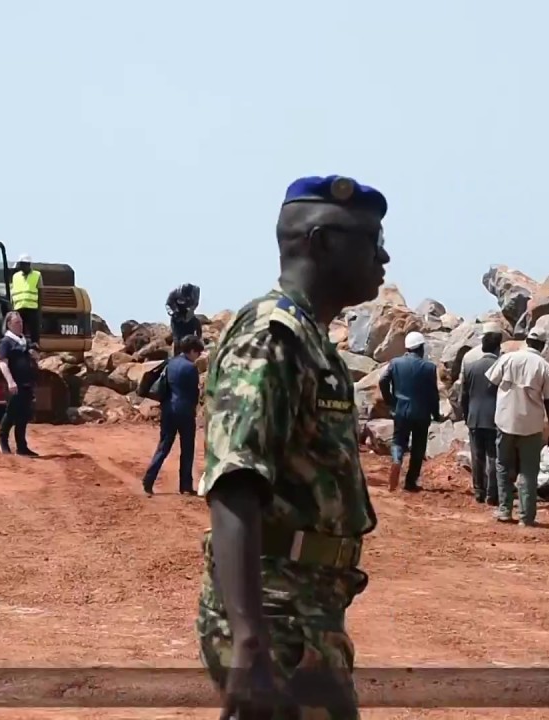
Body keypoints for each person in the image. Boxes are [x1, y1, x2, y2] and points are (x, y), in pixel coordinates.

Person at [198, 175, 389, 718]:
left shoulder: (310, 339)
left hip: (306, 608)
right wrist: (250, 642)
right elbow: (236, 480)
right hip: (277, 614)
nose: (385, 255)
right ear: (323, 242)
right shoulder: (271, 335)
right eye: (371, 240)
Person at [485, 325, 549, 526]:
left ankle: (504, 510)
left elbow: (490, 385)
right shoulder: (544, 366)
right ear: (543, 346)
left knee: (502, 465)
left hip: (505, 421)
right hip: (531, 425)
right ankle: (526, 517)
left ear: (527, 340)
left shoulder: (508, 358)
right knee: (528, 470)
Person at [141, 335, 205, 496]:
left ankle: (148, 480)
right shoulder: (190, 368)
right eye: (197, 352)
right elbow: (193, 393)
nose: (197, 356)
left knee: (163, 447)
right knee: (187, 449)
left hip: (168, 410)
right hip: (185, 412)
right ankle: (185, 486)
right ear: (191, 351)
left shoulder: (171, 363)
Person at [379, 331, 443, 492]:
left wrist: (390, 401)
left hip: (401, 409)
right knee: (418, 447)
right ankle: (410, 481)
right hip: (422, 413)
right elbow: (433, 394)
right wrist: (436, 414)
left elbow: (382, 380)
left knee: (399, 441)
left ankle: (396, 460)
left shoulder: (395, 363)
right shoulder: (429, 367)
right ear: (421, 348)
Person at [460, 323, 504, 506]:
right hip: (495, 418)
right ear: (497, 347)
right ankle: (492, 494)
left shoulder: (470, 366)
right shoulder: (501, 366)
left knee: (477, 455)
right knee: (493, 456)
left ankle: (479, 490)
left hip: (474, 417)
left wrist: (466, 414)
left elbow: (463, 394)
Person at [0, 311, 39, 457]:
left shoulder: (25, 341)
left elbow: (35, 357)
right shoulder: (6, 342)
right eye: (16, 323)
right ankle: (3, 441)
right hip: (14, 384)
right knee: (11, 413)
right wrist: (10, 381)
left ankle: (22, 446)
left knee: (23, 415)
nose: (20, 325)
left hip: (27, 383)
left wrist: (35, 355)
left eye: (21, 322)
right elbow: (3, 364)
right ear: (9, 324)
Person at [10, 254, 42, 346]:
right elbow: (12, 292)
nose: (22, 266)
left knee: (34, 331)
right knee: (19, 330)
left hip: (32, 308)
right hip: (18, 308)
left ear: (28, 265)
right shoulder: (15, 276)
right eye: (21, 264)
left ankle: (35, 346)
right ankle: (20, 346)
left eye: (24, 264)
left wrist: (39, 309)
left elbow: (40, 293)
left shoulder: (37, 275)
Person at [166, 284, 203, 354]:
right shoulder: (174, 292)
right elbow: (168, 304)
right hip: (176, 315)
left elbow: (195, 304)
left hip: (188, 314)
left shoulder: (196, 291)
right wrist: (173, 313)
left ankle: (195, 350)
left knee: (191, 336)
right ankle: (176, 356)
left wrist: (188, 315)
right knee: (177, 339)